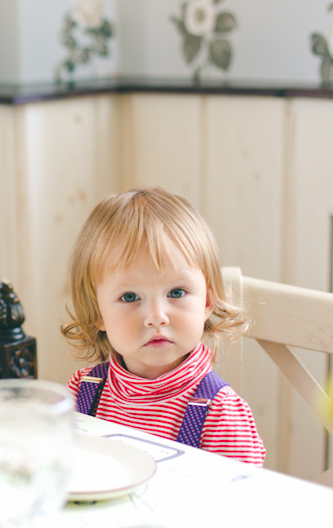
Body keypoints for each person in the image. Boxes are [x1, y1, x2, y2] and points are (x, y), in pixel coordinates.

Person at [61, 186, 265, 465]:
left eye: (176, 293)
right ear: (98, 313)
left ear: (207, 301)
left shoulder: (219, 411)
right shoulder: (84, 391)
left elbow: (241, 499)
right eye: (130, 297)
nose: (156, 317)